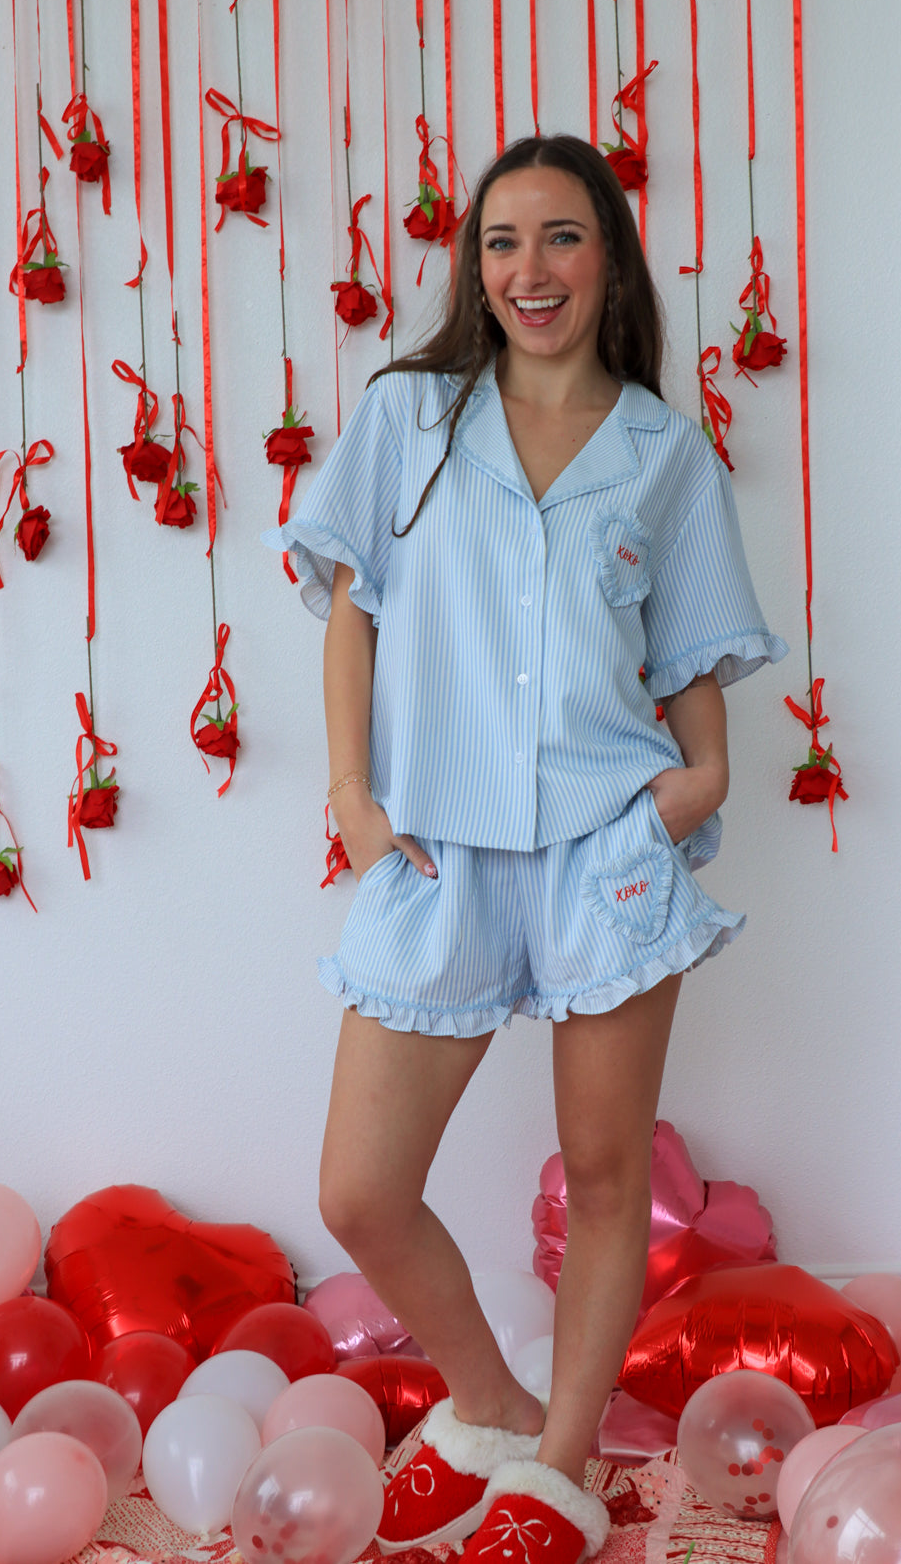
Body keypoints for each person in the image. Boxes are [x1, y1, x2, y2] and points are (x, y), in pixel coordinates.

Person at [266, 133, 786, 1564]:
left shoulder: (661, 454)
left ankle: (559, 1471)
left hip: (605, 854)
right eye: (501, 242)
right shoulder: (409, 420)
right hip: (434, 848)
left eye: (559, 239)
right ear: (472, 265)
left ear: (608, 256)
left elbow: (692, 669)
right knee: (359, 1189)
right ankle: (490, 1408)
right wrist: (354, 797)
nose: (528, 271)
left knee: (605, 1175)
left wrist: (688, 795)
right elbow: (356, 606)